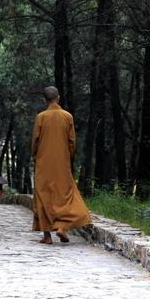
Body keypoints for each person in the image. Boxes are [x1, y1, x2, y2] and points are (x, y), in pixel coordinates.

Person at [31, 86, 91, 244]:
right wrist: (67, 156)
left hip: (43, 163)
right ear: (58, 98)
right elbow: (72, 142)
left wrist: (35, 156)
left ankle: (47, 236)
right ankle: (62, 227)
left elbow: (35, 142)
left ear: (44, 100)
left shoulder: (41, 117)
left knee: (44, 196)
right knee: (65, 196)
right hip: (62, 163)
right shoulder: (67, 116)